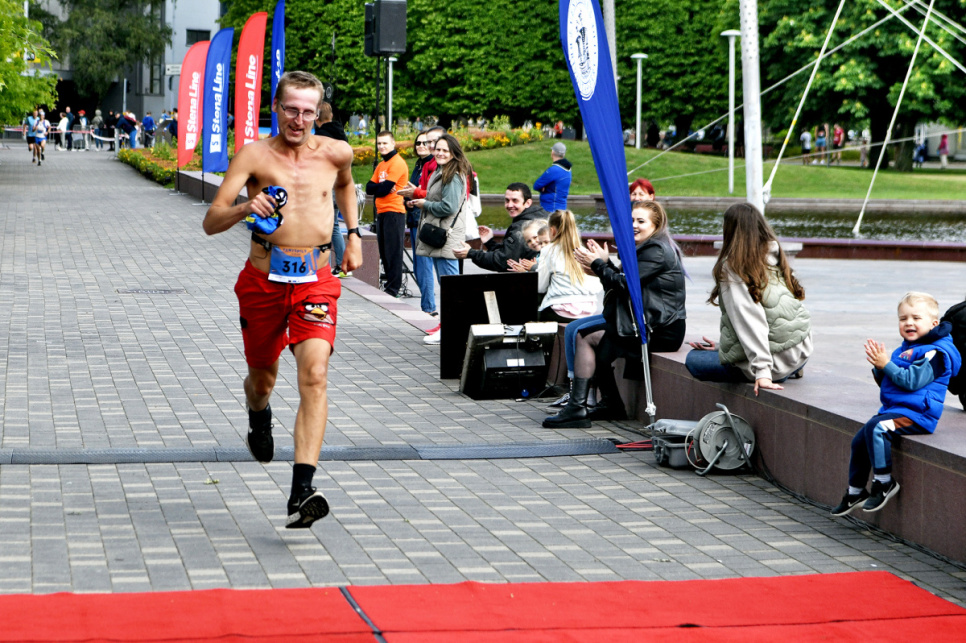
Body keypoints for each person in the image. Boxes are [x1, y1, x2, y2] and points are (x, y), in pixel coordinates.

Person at [203, 70, 362, 529]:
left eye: (308, 111)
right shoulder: (254, 155)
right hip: (262, 282)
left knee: (315, 374)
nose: (299, 119)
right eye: (291, 109)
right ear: (276, 107)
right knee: (263, 380)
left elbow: (345, 186)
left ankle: (301, 490)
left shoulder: (336, 152)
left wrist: (353, 235)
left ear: (318, 112)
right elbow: (211, 221)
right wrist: (245, 207)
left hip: (316, 280)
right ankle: (258, 414)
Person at [544, 200, 687, 428]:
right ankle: (607, 404)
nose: (634, 225)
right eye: (631, 220)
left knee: (585, 336)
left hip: (661, 329)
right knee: (595, 342)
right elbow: (622, 285)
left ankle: (578, 407)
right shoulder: (647, 248)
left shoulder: (656, 250)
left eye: (641, 221)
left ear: (656, 225)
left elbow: (624, 285)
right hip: (648, 323)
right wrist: (605, 264)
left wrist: (599, 264)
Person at [831, 292, 961, 517]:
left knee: (877, 428)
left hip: (919, 414)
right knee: (860, 440)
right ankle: (855, 491)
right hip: (897, 410)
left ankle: (884, 482)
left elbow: (911, 382)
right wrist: (879, 367)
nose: (909, 323)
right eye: (903, 319)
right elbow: (890, 383)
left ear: (934, 323)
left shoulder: (937, 352)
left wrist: (886, 365)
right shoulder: (904, 349)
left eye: (916, 318)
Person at [685, 203, 812, 396]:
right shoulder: (774, 255)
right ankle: (790, 368)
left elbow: (751, 319)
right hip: (800, 352)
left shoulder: (734, 267)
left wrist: (763, 372)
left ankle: (776, 371)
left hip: (774, 365)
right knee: (716, 353)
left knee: (694, 360)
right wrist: (721, 346)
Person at [409, 133, 471, 344]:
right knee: (447, 284)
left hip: (446, 236)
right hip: (440, 235)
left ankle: (453, 329)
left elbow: (449, 207)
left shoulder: (452, 175)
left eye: (445, 150)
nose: (441, 153)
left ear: (454, 153)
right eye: (438, 149)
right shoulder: (443, 170)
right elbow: (439, 198)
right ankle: (448, 325)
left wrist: (424, 204)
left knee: (450, 286)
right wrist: (420, 197)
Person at [453, 183, 545, 272]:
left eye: (515, 200)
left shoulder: (522, 228)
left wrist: (471, 253)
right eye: (507, 200)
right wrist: (489, 242)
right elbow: (509, 253)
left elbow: (503, 261)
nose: (509, 205)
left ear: (528, 203)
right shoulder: (538, 216)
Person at [535, 210, 602, 323]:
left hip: (561, 311)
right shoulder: (585, 252)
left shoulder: (549, 250)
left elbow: (540, 287)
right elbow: (597, 286)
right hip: (589, 310)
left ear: (552, 230)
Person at [366, 131, 409, 297]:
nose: (382, 146)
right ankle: (389, 287)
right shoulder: (381, 165)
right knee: (384, 252)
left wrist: (381, 187)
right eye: (379, 143)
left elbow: (383, 190)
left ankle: (393, 289)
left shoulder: (397, 163)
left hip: (394, 212)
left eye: (385, 143)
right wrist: (382, 187)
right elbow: (369, 188)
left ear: (393, 143)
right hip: (382, 212)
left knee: (393, 252)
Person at [402, 131, 438, 314]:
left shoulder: (433, 164)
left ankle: (429, 308)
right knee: (419, 267)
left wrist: (415, 195)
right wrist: (408, 202)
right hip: (415, 218)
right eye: (418, 143)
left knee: (424, 267)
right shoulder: (419, 165)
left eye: (425, 143)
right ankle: (427, 307)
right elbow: (413, 191)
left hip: (425, 220)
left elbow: (430, 193)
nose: (421, 146)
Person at [315, 101, 350, 278]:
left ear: (316, 118)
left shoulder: (321, 136)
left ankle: (324, 267)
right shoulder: (341, 135)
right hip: (339, 185)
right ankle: (342, 266)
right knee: (334, 225)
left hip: (326, 186)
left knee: (324, 225)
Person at [533, 142, 572, 212]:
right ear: (563, 154)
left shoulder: (553, 170)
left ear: (552, 152)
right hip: (562, 208)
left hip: (550, 208)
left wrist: (544, 187)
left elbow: (536, 185)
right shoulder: (568, 170)